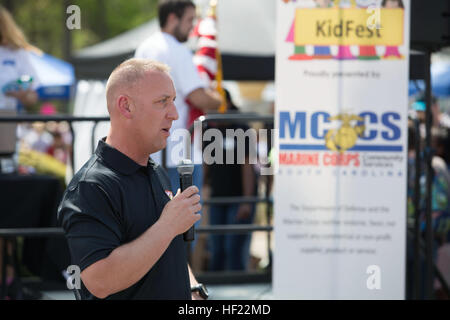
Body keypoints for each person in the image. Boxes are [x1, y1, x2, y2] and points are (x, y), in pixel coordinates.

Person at [57, 59, 208, 300]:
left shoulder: (155, 172)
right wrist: (168, 226)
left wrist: (192, 289)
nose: (175, 113)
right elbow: (100, 281)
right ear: (126, 107)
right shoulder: (90, 187)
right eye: (162, 102)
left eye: (173, 101)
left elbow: (166, 247)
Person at [134, 0, 222, 195]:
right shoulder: (177, 51)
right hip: (178, 152)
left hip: (148, 152)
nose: (192, 27)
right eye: (190, 19)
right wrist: (219, 99)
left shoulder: (144, 47)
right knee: (186, 220)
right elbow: (198, 97)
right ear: (173, 18)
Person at [203, 90, 258, 271]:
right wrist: (201, 191)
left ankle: (239, 292)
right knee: (216, 248)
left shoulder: (241, 127)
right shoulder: (208, 128)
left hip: (238, 198)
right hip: (218, 196)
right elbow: (206, 164)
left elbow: (247, 166)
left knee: (234, 249)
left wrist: (246, 201)